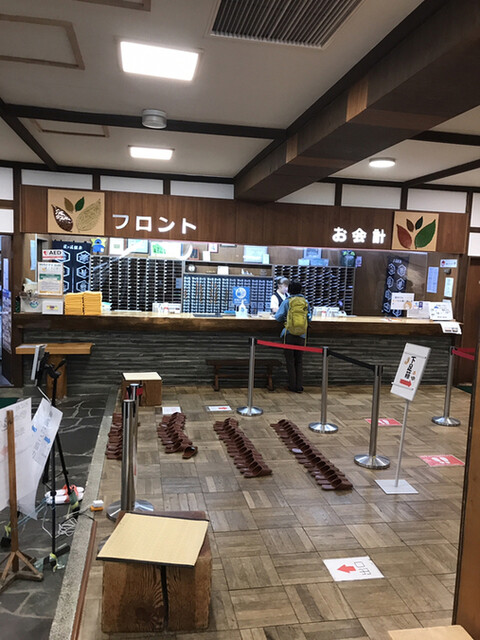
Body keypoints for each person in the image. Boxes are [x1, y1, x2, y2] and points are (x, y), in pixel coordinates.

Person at [275, 280, 311, 393]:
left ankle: (292, 385)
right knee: (299, 361)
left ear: (289, 290)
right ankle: (299, 386)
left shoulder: (287, 302)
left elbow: (278, 317)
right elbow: (309, 318)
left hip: (289, 334)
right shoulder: (305, 302)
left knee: (290, 361)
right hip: (302, 334)